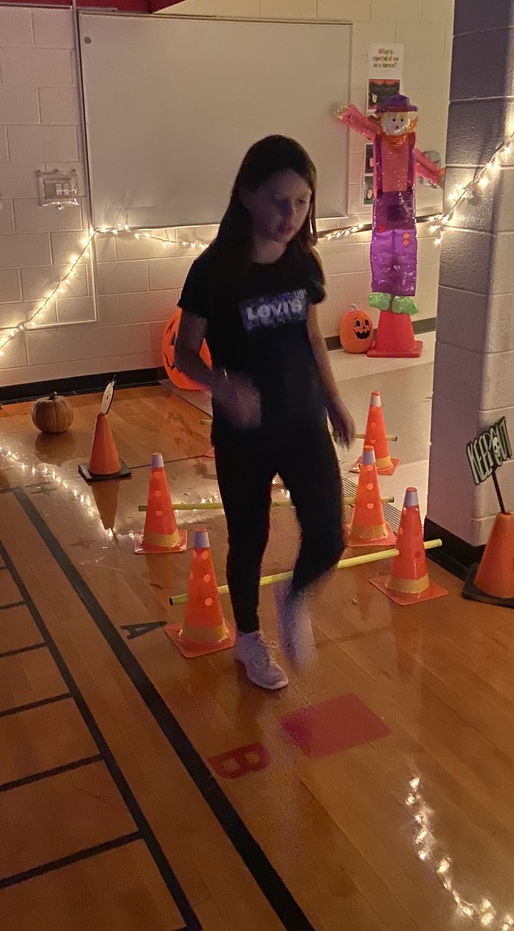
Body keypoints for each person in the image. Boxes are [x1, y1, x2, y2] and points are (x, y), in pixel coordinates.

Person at [174, 135, 355, 690]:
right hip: (244, 433)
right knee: (247, 539)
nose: (290, 215)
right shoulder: (213, 271)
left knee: (329, 537)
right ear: (247, 194)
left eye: (302, 202)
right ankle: (249, 641)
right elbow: (183, 354)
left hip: (302, 424)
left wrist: (334, 400)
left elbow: (313, 338)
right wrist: (219, 382)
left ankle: (293, 596)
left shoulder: (302, 262)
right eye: (279, 200)